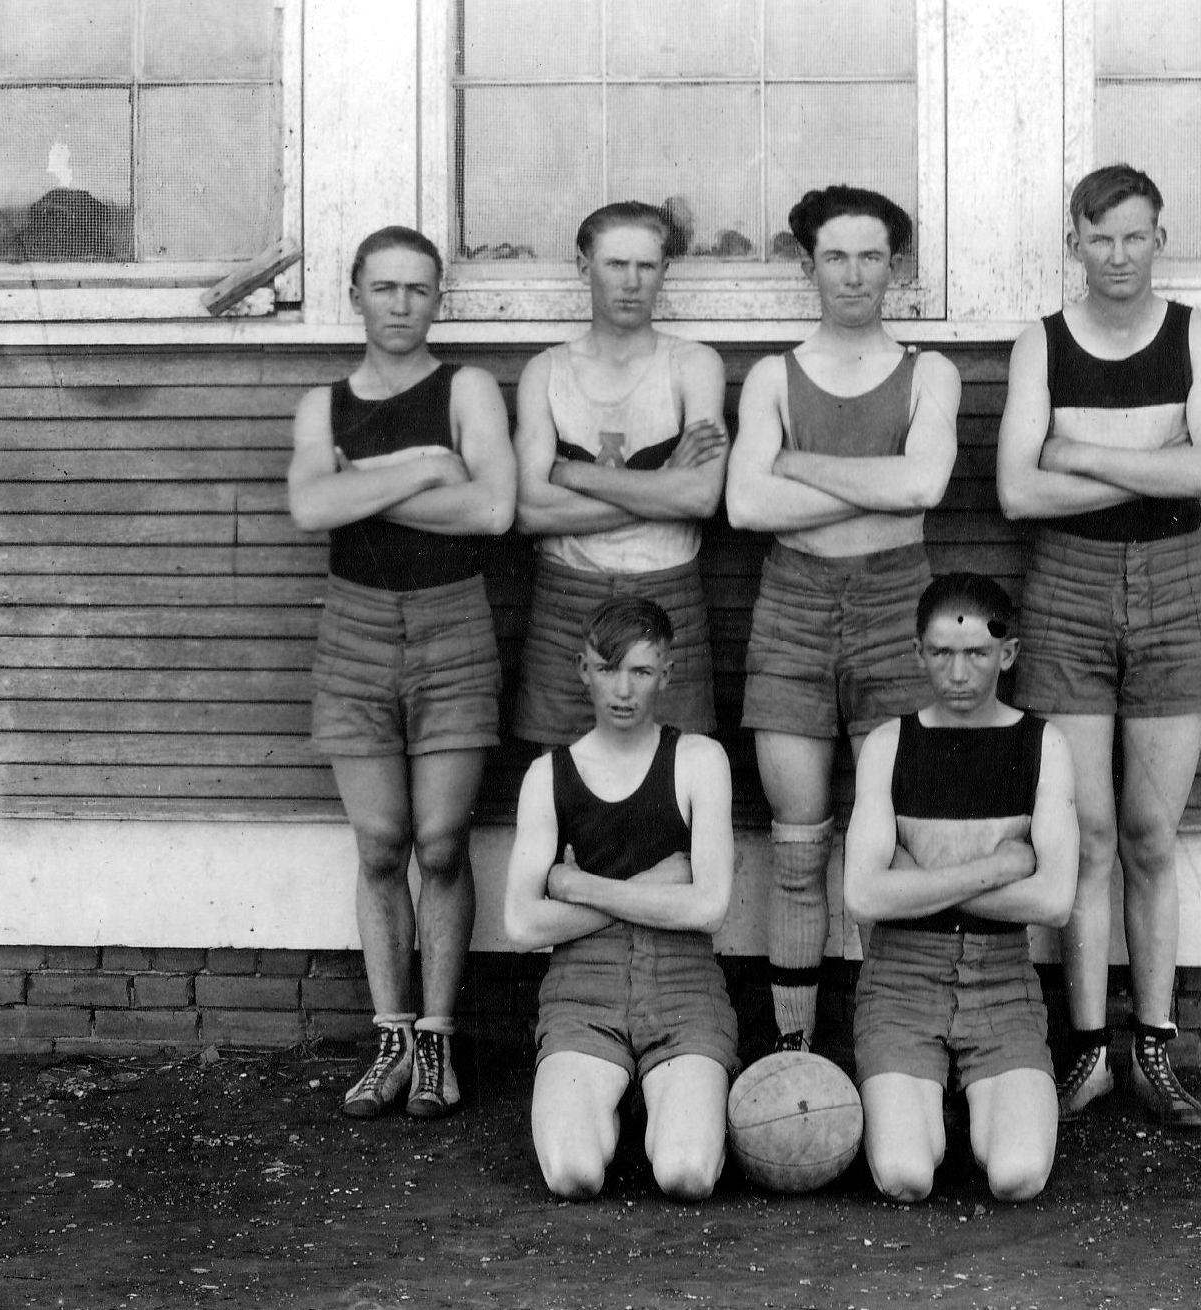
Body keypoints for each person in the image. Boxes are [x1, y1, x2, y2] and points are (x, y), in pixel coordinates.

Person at [995, 164, 1201, 1129]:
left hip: (1175, 585)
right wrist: (1153, 466)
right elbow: (1019, 492)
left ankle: (1154, 1048)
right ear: (1075, 244)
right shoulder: (1042, 344)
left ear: (1159, 239)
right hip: (1066, 587)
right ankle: (1089, 1051)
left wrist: (1079, 453)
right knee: (1088, 836)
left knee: (1150, 836)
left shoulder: (1196, 334)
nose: (1119, 256)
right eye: (1101, 238)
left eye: (1136, 236)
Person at [285, 225, 517, 1120]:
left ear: (438, 299)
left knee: (442, 843)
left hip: (454, 623)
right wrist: (424, 467)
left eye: (419, 289)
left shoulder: (466, 389)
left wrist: (366, 486)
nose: (401, 304)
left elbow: (492, 509)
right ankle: (390, 1035)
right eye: (384, 287)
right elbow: (312, 505)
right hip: (354, 630)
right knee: (380, 844)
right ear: (356, 294)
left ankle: (437, 1041)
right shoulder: (323, 404)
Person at [726, 185, 961, 1053]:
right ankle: (794, 1056)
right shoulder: (772, 376)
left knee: (890, 838)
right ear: (809, 266)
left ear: (895, 266)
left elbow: (923, 487)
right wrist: (873, 489)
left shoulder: (928, 373)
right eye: (835, 256)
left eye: (871, 257)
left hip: (898, 608)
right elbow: (748, 506)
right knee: (797, 845)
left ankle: (892, 1050)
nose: (854, 275)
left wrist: (796, 464)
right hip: (792, 608)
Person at [842, 573, 1078, 1203]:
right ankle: (930, 1104)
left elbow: (1054, 902)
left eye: (977, 653)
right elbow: (862, 897)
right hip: (901, 984)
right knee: (905, 1176)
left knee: (1017, 1175)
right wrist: (996, 869)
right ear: (918, 653)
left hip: (1001, 982)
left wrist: (914, 882)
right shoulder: (889, 745)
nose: (958, 673)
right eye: (941, 653)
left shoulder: (1043, 745)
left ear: (1009, 653)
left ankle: (964, 1105)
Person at [502, 597, 737, 1201]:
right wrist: (658, 885)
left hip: (683, 989)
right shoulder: (548, 775)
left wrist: (577, 885)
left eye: (641, 671)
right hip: (583, 991)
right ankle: (620, 1103)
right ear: (584, 669)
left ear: (667, 673)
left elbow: (709, 908)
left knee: (686, 1174)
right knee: (573, 1174)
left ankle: (662, 1105)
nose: (624, 690)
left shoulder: (699, 760)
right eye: (608, 669)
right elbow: (522, 924)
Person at [511, 202, 730, 747]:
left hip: (667, 588)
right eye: (615, 264)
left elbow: (700, 497)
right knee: (564, 769)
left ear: (664, 271)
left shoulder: (693, 364)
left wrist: (573, 474)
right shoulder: (547, 370)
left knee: (673, 767)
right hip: (567, 594)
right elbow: (530, 510)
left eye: (646, 266)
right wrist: (662, 485)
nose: (631, 282)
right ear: (584, 267)